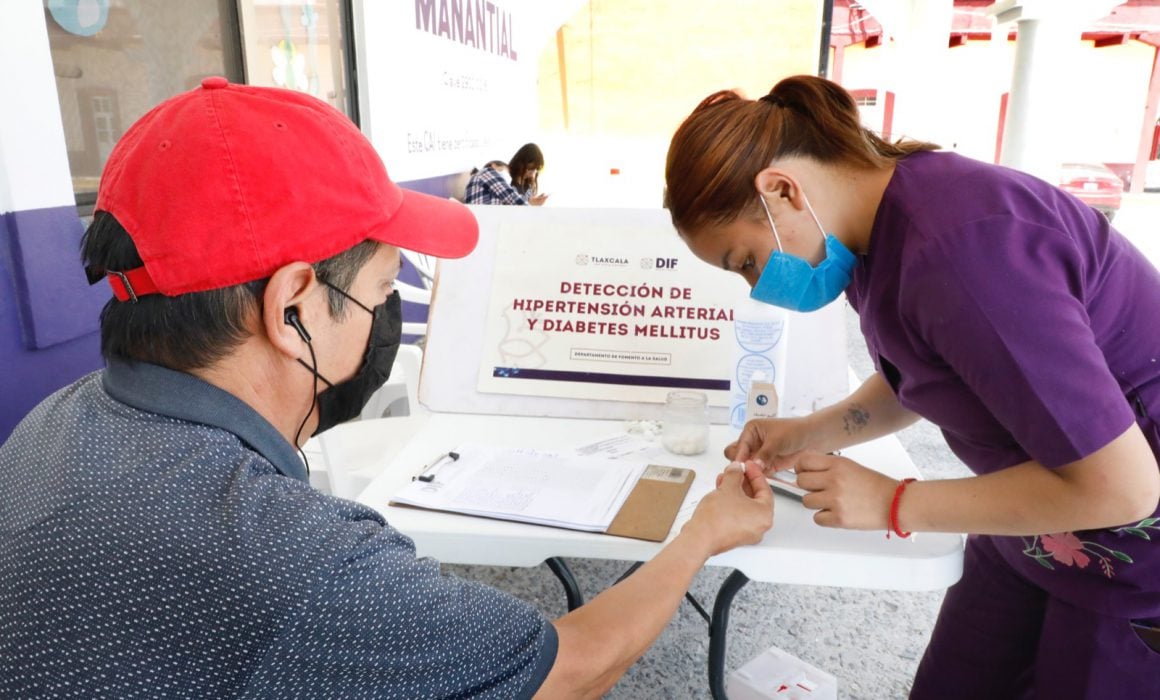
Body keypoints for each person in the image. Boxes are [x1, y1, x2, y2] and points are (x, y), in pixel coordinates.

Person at [0, 78, 774, 699]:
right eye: (379, 290)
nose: (383, 316)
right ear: (292, 306)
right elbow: (569, 671)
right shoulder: (298, 564)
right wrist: (702, 532)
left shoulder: (50, 424)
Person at [664, 74, 1160, 698]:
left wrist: (895, 503)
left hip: (1132, 558)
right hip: (1026, 519)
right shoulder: (873, 238)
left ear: (781, 190)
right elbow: (925, 373)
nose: (757, 287)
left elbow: (1125, 488)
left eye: (745, 262)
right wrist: (808, 431)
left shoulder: (964, 249)